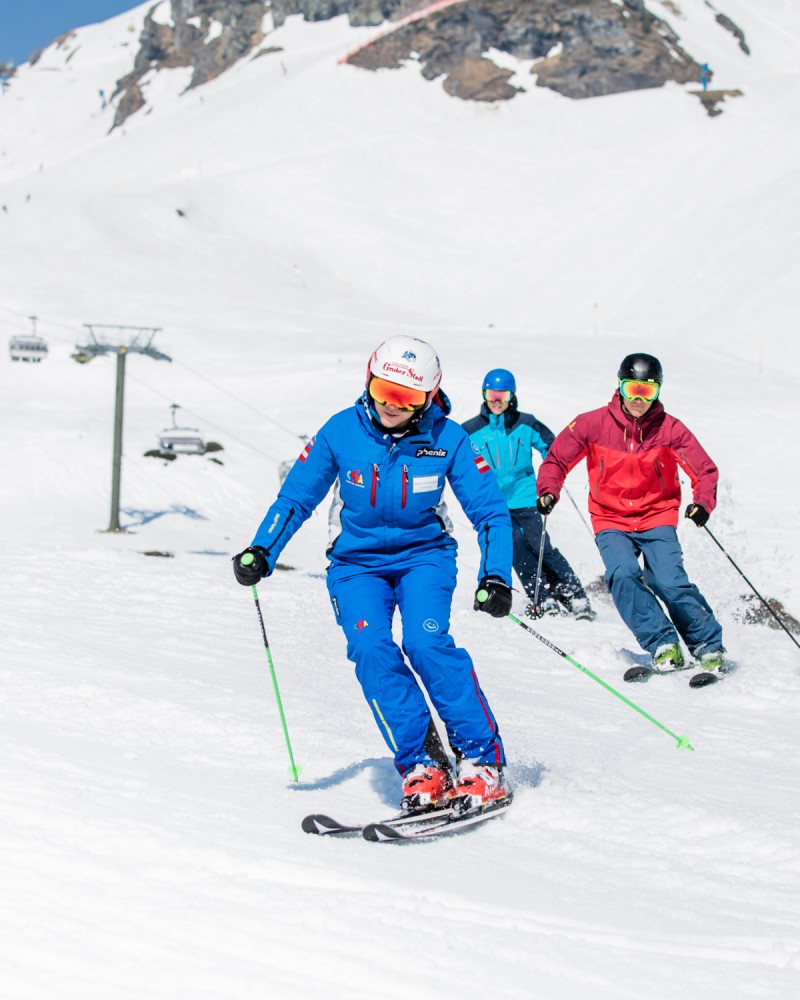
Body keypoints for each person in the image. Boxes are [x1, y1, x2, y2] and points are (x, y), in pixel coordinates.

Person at [232, 336, 514, 816]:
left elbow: (490, 513)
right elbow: (297, 497)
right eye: (384, 390)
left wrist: (496, 576)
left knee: (426, 645)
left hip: (424, 557)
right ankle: (421, 763)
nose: (391, 405)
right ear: (368, 380)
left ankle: (481, 762)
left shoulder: (449, 439)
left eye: (406, 398)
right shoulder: (341, 431)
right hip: (355, 565)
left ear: (429, 397)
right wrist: (263, 548)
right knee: (371, 648)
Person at [536, 352, 725, 675]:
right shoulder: (592, 423)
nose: (638, 399)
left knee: (669, 581)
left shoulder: (670, 429)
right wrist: (548, 489)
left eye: (647, 392)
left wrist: (703, 503)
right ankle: (662, 641)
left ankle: (707, 644)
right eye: (631, 389)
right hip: (610, 518)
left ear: (658, 392)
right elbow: (557, 459)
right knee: (622, 573)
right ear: (620, 387)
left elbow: (704, 470)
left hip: (657, 515)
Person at [462, 368, 595, 621]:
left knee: (541, 545)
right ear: (484, 394)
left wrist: (552, 467)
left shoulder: (525, 423)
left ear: (512, 396)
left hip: (525, 496)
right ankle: (542, 597)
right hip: (495, 502)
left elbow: (551, 445)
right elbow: (459, 461)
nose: (497, 401)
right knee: (515, 549)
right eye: (492, 394)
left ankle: (575, 596)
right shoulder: (471, 430)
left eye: (503, 395)